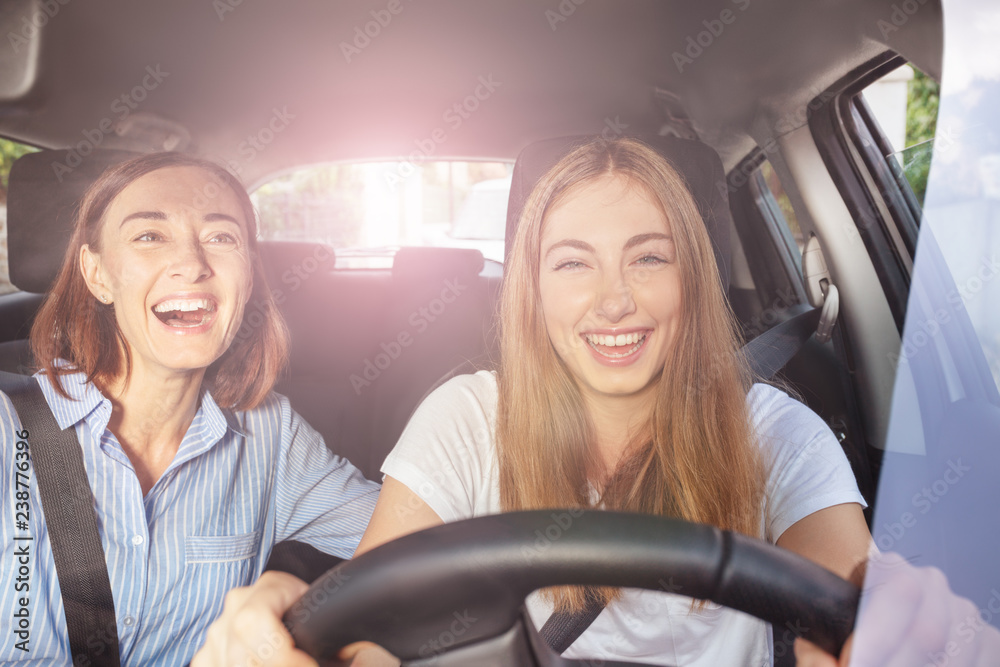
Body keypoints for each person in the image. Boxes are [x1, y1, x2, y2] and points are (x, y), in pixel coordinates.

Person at [200, 136, 876, 665]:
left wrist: (895, 621)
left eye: (648, 258)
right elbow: (376, 632)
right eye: (573, 263)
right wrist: (297, 636)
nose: (615, 299)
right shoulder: (464, 418)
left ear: (693, 283)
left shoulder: (779, 433)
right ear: (534, 291)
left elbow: (854, 606)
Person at [0, 152, 379, 666]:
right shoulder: (7, 425)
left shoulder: (274, 437)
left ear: (248, 278)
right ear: (98, 275)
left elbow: (420, 543)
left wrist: (299, 596)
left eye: (222, 238)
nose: (194, 264)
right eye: (149, 236)